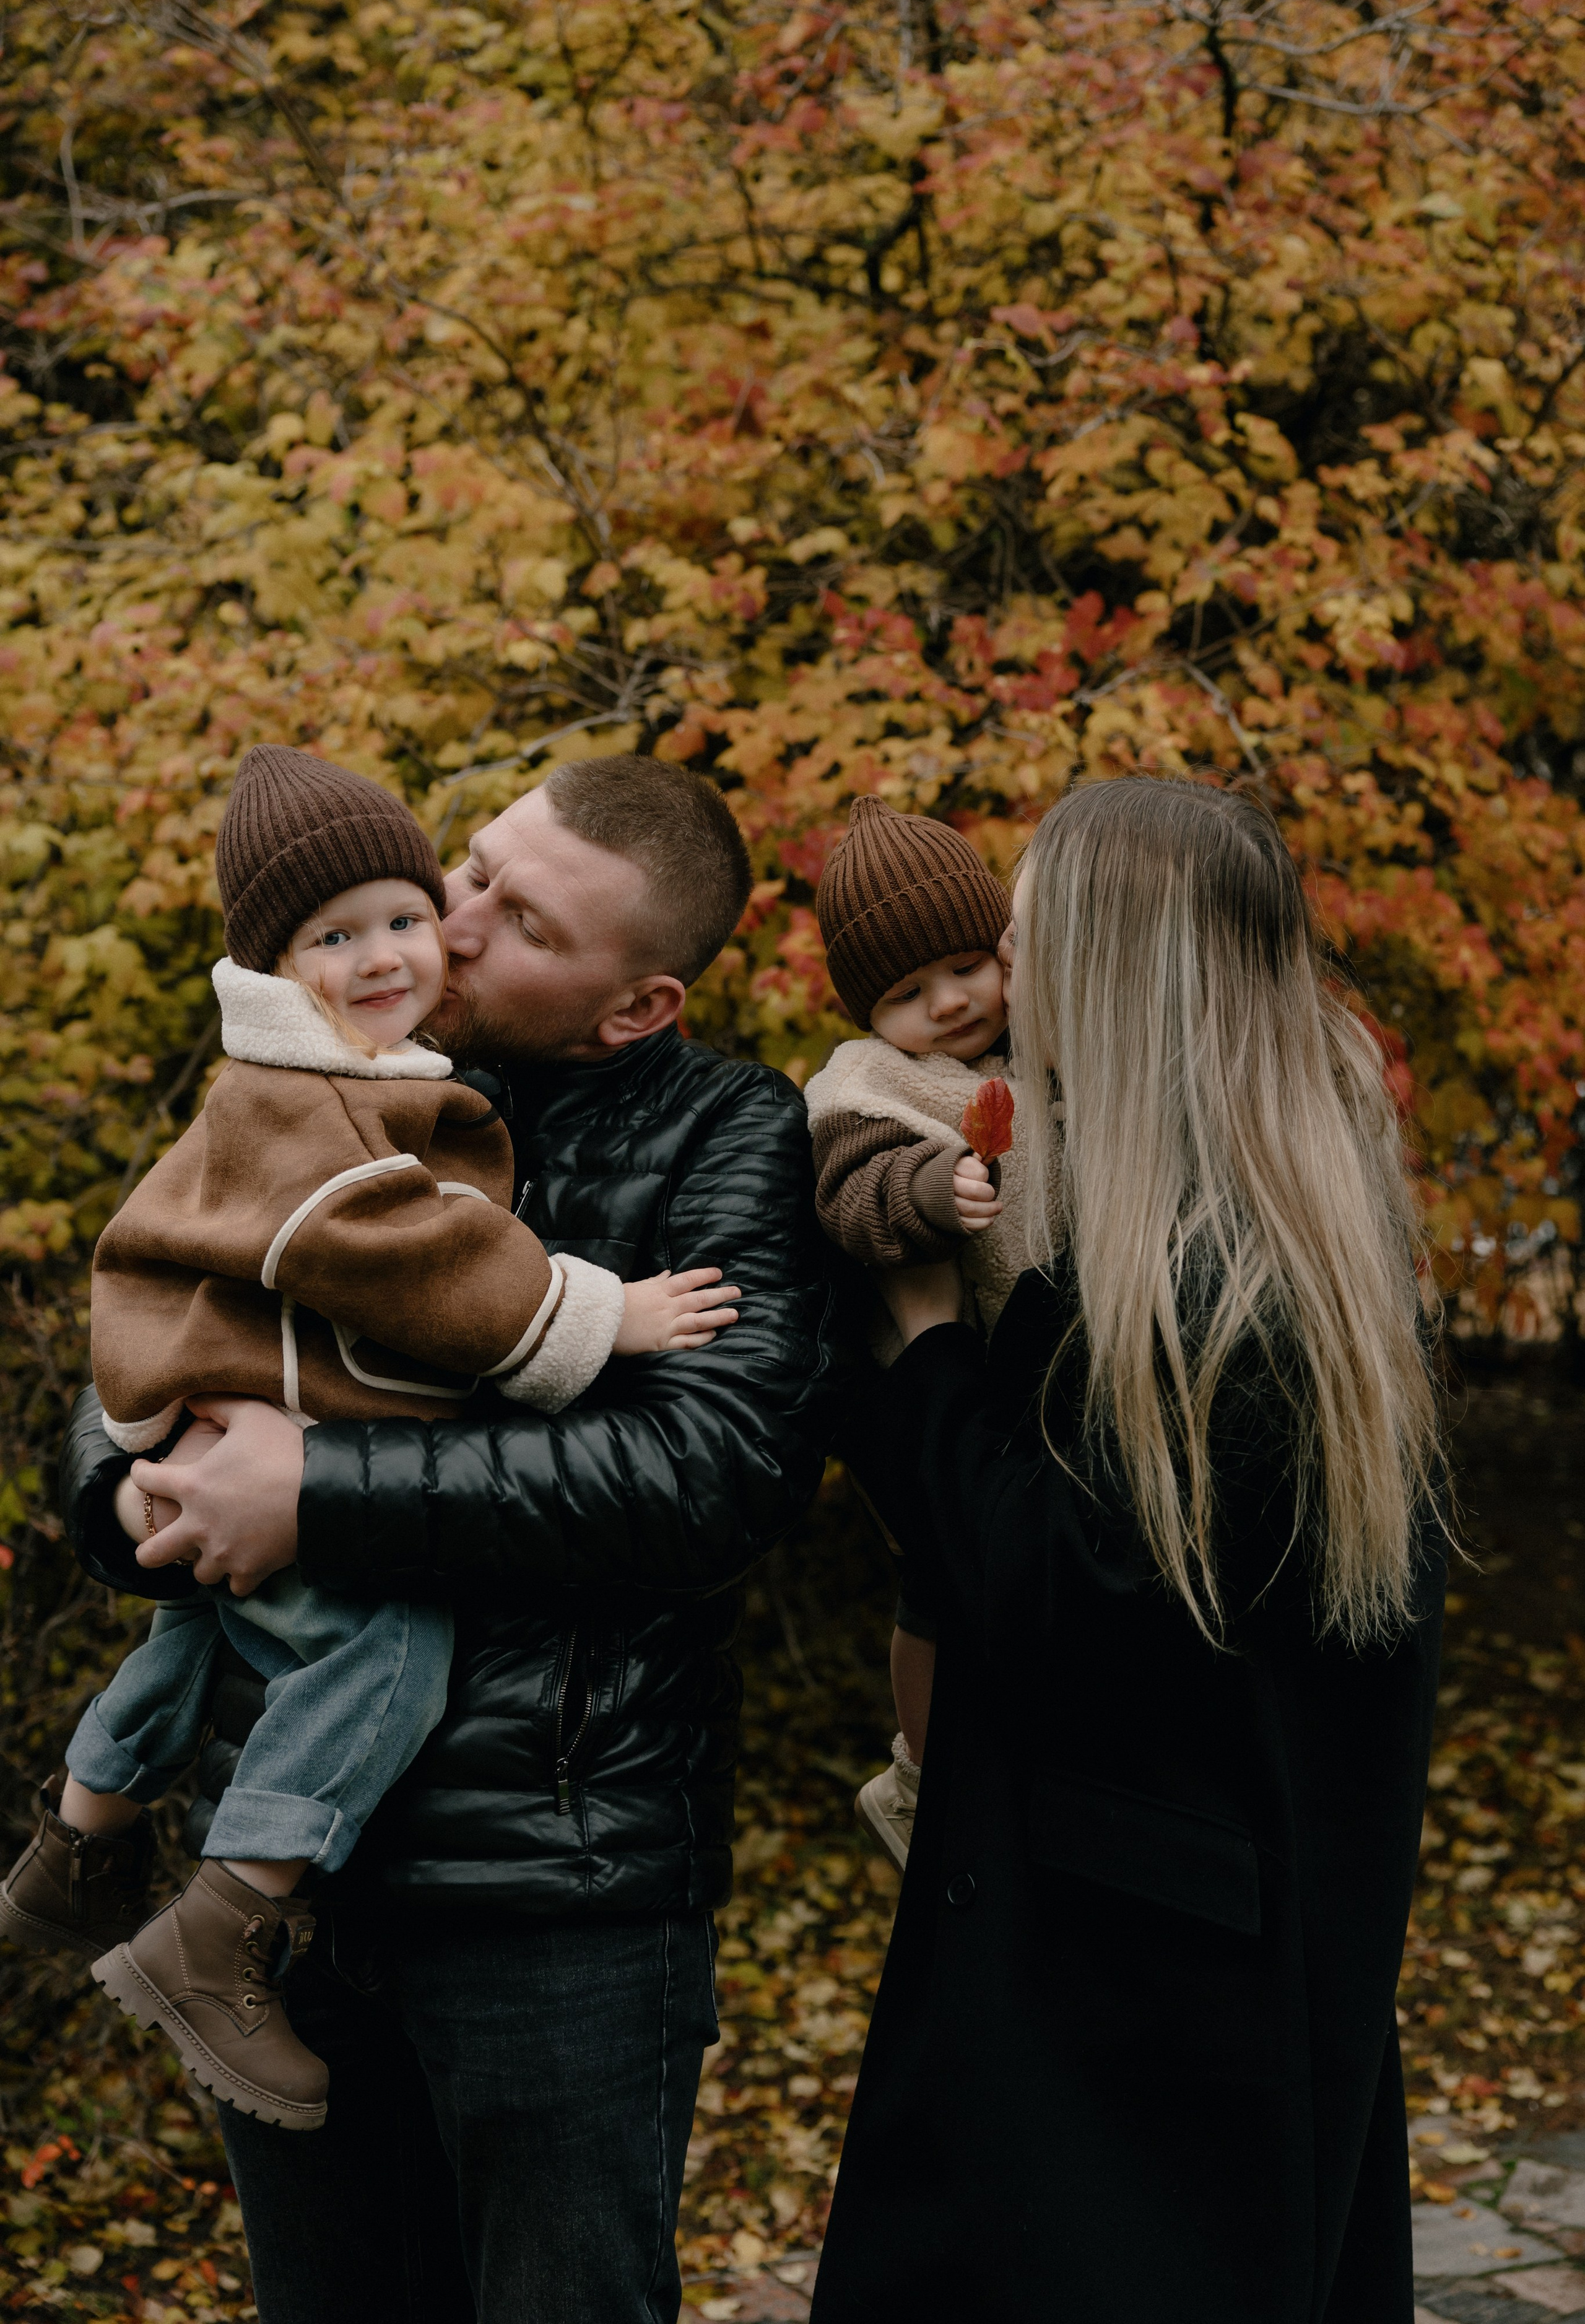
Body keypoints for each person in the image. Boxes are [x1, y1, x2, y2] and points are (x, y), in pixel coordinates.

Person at [58, 750, 833, 2324]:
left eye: (522, 921)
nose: (450, 925)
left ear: (638, 1007)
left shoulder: (724, 1134)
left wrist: (313, 1494)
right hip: (287, 1873)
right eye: (472, 868)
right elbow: (153, 1315)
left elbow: (710, 1475)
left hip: (553, 1893)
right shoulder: (309, 1061)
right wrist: (132, 1493)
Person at [811, 777, 1446, 2324]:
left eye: (1024, 946)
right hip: (1204, 1968)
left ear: (1109, 972)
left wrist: (920, 1355)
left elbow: (1069, 1589)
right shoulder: (1286, 1209)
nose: (996, 986)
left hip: (1134, 2024)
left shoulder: (1223, 1273)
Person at [804, 797, 1031, 1868]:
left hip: (1031, 1365)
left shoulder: (1052, 1044)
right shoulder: (870, 1085)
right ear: (867, 1010)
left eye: (963, 968)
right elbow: (855, 1195)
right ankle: (919, 1778)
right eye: (905, 992)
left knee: (1013, 1590)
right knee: (938, 1582)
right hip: (917, 1382)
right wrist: (934, 1189)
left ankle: (999, 1767)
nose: (946, 1005)